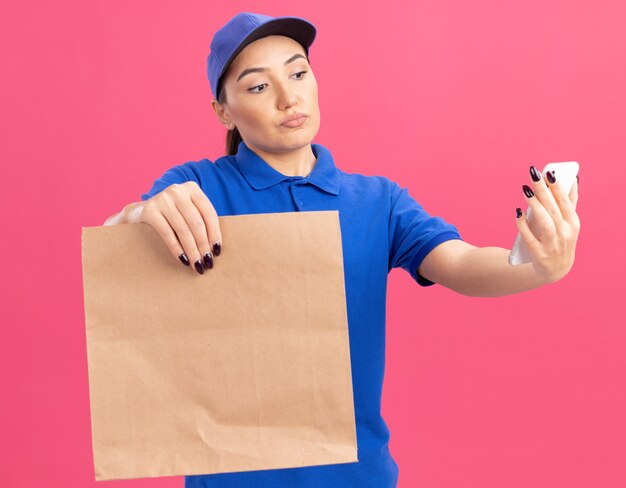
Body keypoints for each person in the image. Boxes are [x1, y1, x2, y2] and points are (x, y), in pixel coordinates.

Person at [104, 12, 580, 488]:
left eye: (297, 73)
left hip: (356, 475)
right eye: (257, 87)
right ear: (223, 111)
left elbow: (459, 261)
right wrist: (139, 214)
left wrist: (536, 265)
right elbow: (117, 250)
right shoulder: (197, 187)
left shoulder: (377, 201)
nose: (289, 98)